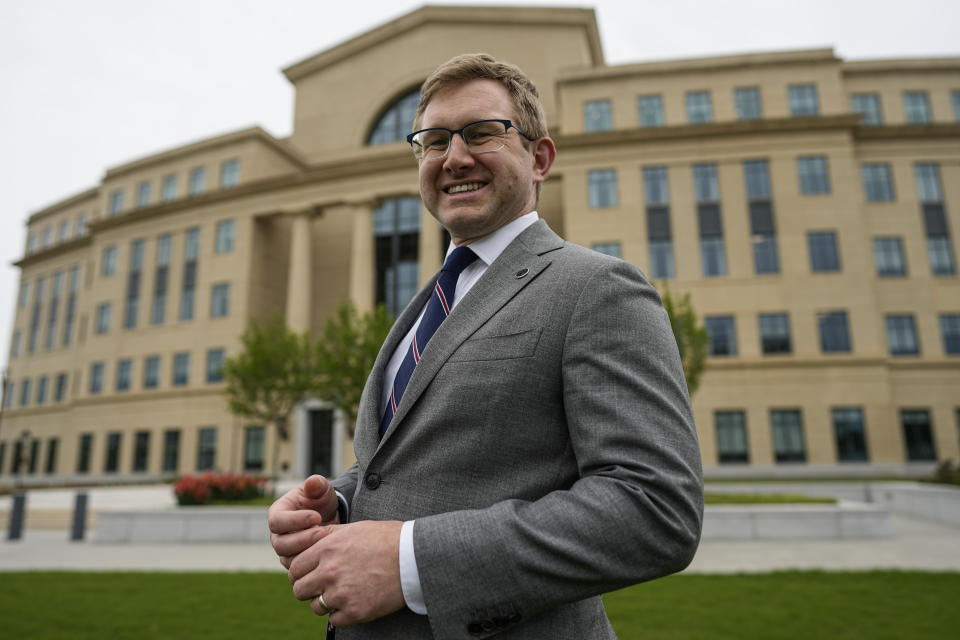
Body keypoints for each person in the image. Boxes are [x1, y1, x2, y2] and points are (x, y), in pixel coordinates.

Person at [268, 53, 703, 639]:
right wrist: (339, 504)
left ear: (539, 157)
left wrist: (410, 561)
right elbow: (421, 463)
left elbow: (654, 509)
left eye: (481, 133)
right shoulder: (428, 303)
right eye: (433, 140)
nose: (455, 157)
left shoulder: (597, 288)